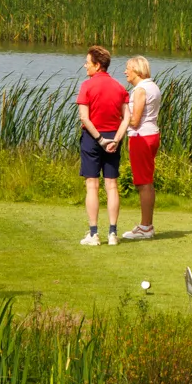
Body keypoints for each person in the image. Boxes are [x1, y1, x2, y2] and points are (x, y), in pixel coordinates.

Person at [76, 45, 129, 245]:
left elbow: (84, 117)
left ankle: (94, 233)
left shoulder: (87, 86)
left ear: (97, 65)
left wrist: (99, 139)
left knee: (92, 185)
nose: (85, 66)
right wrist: (116, 139)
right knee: (112, 185)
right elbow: (127, 118)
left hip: (93, 138)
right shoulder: (119, 87)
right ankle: (113, 234)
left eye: (88, 63)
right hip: (113, 138)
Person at [120, 56, 162, 240]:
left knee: (143, 182)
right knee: (147, 181)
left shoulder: (140, 89)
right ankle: (146, 225)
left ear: (136, 70)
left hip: (141, 137)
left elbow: (135, 121)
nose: (125, 72)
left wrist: (119, 115)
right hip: (151, 134)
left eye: (128, 68)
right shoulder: (153, 86)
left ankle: (146, 227)